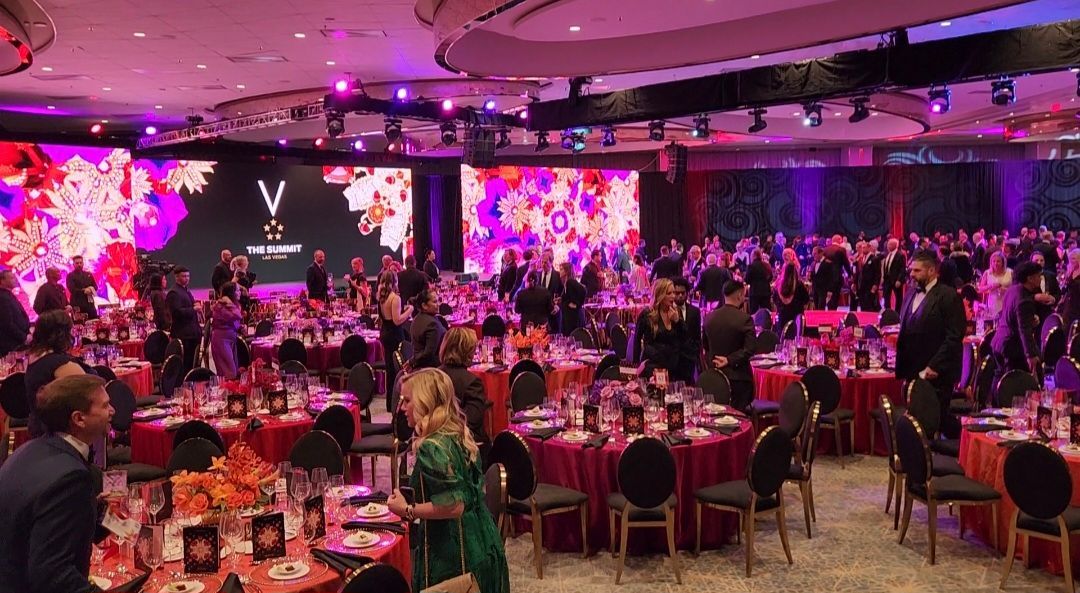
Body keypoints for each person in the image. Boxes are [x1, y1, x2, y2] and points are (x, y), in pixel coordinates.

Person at [386, 368, 509, 593]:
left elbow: (454, 505)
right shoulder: (457, 433)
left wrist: (407, 510)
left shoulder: (432, 446)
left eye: (407, 400)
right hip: (482, 539)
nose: (401, 407)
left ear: (424, 402)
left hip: (455, 554)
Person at [0, 374, 113, 593]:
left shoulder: (31, 449)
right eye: (105, 406)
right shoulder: (69, 478)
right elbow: (53, 576)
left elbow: (36, 523)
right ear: (79, 419)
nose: (113, 411)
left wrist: (95, 513)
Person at [895, 250, 966, 437]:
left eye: (917, 271)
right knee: (915, 420)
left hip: (937, 371)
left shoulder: (949, 296)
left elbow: (954, 337)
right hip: (912, 369)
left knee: (937, 419)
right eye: (911, 270)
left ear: (932, 271)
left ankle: (961, 439)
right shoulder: (910, 293)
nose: (912, 274)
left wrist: (934, 365)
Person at [24, 310, 93, 438]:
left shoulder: (34, 359)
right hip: (60, 432)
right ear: (62, 334)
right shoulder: (59, 364)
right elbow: (89, 393)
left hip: (39, 427)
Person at [703, 280, 757, 411]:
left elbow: (705, 346)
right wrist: (729, 360)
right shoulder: (745, 319)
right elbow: (750, 349)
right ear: (739, 295)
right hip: (738, 380)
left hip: (714, 378)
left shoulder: (709, 317)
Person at [990, 261, 1044, 391]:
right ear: (1030, 278)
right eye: (1038, 276)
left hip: (999, 340)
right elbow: (1024, 330)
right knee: (1012, 384)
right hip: (1011, 346)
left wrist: (1030, 320)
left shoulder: (1013, 290)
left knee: (1000, 377)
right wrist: (1030, 354)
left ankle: (993, 401)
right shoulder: (1024, 299)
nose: (1040, 278)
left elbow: (1010, 315)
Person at [437, 328, 491, 454]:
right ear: (467, 352)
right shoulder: (472, 382)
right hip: (465, 446)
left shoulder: (434, 374)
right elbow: (473, 421)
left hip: (437, 440)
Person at [634, 279, 690, 382]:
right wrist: (635, 368)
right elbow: (636, 342)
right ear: (660, 295)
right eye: (669, 293)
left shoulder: (675, 312)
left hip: (673, 367)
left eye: (674, 293)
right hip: (653, 366)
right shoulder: (647, 315)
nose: (673, 296)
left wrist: (678, 321)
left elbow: (684, 339)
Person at [378, 271, 413, 408]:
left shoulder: (381, 296)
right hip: (394, 334)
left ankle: (389, 403)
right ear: (395, 281)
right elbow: (397, 320)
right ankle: (396, 402)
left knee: (390, 369)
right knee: (398, 368)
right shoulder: (395, 298)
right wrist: (409, 310)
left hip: (385, 332)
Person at [166, 266, 200, 373]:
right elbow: (176, 313)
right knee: (186, 364)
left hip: (192, 333)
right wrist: (193, 309)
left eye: (188, 276)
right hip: (183, 334)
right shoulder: (173, 293)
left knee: (192, 364)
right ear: (176, 277)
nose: (187, 278)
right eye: (184, 276)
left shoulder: (186, 290)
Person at [210, 282, 243, 379]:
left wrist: (240, 327)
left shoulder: (232, 305)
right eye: (237, 290)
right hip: (221, 341)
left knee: (233, 370)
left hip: (230, 339)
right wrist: (230, 303)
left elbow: (232, 322)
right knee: (229, 372)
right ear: (231, 292)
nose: (240, 292)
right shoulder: (221, 306)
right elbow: (237, 315)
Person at [407, 288, 446, 371]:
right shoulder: (432, 324)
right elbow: (428, 354)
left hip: (420, 365)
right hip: (432, 370)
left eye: (438, 301)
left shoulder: (417, 318)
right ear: (424, 306)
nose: (438, 304)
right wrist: (412, 361)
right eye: (435, 302)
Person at [672, 277, 701, 381]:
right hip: (671, 358)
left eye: (683, 293)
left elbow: (697, 336)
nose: (680, 295)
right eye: (677, 293)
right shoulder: (667, 310)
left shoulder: (694, 311)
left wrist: (694, 354)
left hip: (688, 359)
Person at [0, 269, 30, 356]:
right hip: (11, 345)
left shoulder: (8, 294)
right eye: (12, 278)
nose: (15, 280)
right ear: (2, 281)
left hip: (17, 341)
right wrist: (24, 337)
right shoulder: (2, 297)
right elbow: (7, 323)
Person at [773, 261, 809, 333]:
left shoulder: (778, 285)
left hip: (782, 319)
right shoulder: (799, 285)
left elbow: (775, 300)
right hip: (797, 319)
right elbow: (806, 300)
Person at [977, 251, 1012, 319]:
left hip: (1007, 301)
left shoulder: (1010, 272)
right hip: (993, 303)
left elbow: (1015, 288)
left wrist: (1005, 290)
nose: (995, 263)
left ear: (1003, 262)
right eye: (994, 261)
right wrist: (991, 286)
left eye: (998, 261)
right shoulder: (987, 273)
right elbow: (980, 289)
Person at [1029, 251, 1060, 325]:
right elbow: (1022, 295)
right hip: (1032, 313)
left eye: (1041, 260)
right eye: (1036, 260)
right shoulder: (1027, 277)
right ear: (1031, 262)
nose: (1039, 262)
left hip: (1047, 313)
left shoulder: (1051, 276)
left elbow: (1058, 293)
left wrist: (1053, 299)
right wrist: (1035, 297)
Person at [557, 262, 586, 336]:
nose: (559, 271)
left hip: (573, 317)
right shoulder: (566, 283)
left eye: (561, 269)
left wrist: (577, 304)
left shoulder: (570, 282)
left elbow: (583, 290)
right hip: (568, 316)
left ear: (566, 271)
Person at [66, 255, 98, 320]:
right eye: (77, 263)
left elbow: (96, 287)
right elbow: (72, 289)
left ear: (83, 263)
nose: (79, 265)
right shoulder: (70, 276)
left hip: (90, 304)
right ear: (73, 264)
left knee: (94, 321)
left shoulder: (88, 274)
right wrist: (84, 291)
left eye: (80, 263)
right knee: (79, 323)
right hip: (77, 304)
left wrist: (90, 289)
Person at [854, 242, 882, 312]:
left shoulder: (875, 258)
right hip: (861, 285)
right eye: (862, 248)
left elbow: (877, 273)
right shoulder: (860, 259)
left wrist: (875, 284)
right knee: (863, 304)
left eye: (864, 247)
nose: (862, 249)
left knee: (870, 304)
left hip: (870, 285)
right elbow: (858, 272)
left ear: (869, 248)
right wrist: (855, 283)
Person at [744, 248, 773, 314]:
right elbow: (770, 278)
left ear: (753, 256)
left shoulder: (751, 266)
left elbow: (747, 280)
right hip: (766, 291)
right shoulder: (767, 265)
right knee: (767, 312)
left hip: (754, 292)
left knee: (754, 312)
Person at [881, 238, 906, 311]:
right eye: (888, 244)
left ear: (895, 245)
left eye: (890, 244)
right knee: (886, 296)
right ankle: (887, 311)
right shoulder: (887, 254)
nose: (888, 246)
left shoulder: (900, 255)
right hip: (887, 280)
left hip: (896, 279)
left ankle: (898, 312)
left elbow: (902, 269)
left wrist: (899, 280)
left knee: (898, 297)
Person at [1060, 248, 1080, 328]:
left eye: (1074, 258)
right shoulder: (1070, 271)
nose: (1071, 261)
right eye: (1070, 259)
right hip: (1070, 301)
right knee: (1067, 323)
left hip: (1078, 301)